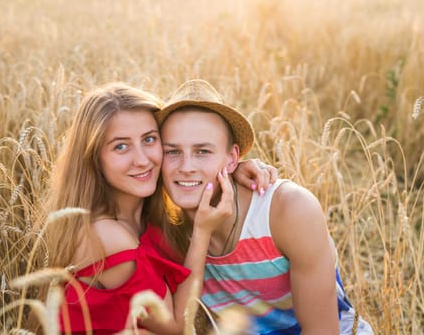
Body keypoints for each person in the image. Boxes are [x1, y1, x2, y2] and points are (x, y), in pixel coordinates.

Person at [38, 82, 276, 334]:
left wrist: (226, 167)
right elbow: (175, 327)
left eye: (149, 139)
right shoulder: (106, 236)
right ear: (94, 157)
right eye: (121, 146)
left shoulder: (148, 214)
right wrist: (202, 231)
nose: (142, 160)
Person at [156, 79, 374, 334]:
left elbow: (321, 330)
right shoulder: (165, 227)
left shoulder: (289, 210)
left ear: (232, 159)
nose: (186, 166)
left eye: (203, 151)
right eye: (172, 152)